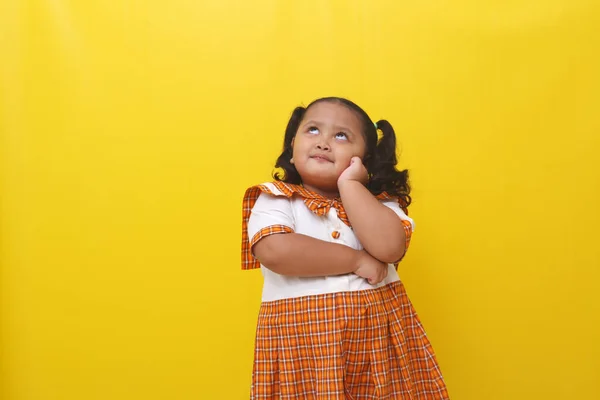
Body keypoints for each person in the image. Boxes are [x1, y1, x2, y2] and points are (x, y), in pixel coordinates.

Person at [241, 97, 449, 399]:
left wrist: (351, 185)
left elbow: (390, 248)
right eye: (312, 130)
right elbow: (275, 250)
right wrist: (355, 259)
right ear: (291, 145)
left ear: (365, 159)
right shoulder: (275, 198)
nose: (324, 143)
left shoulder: (378, 204)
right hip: (303, 354)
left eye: (341, 136)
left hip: (378, 353)